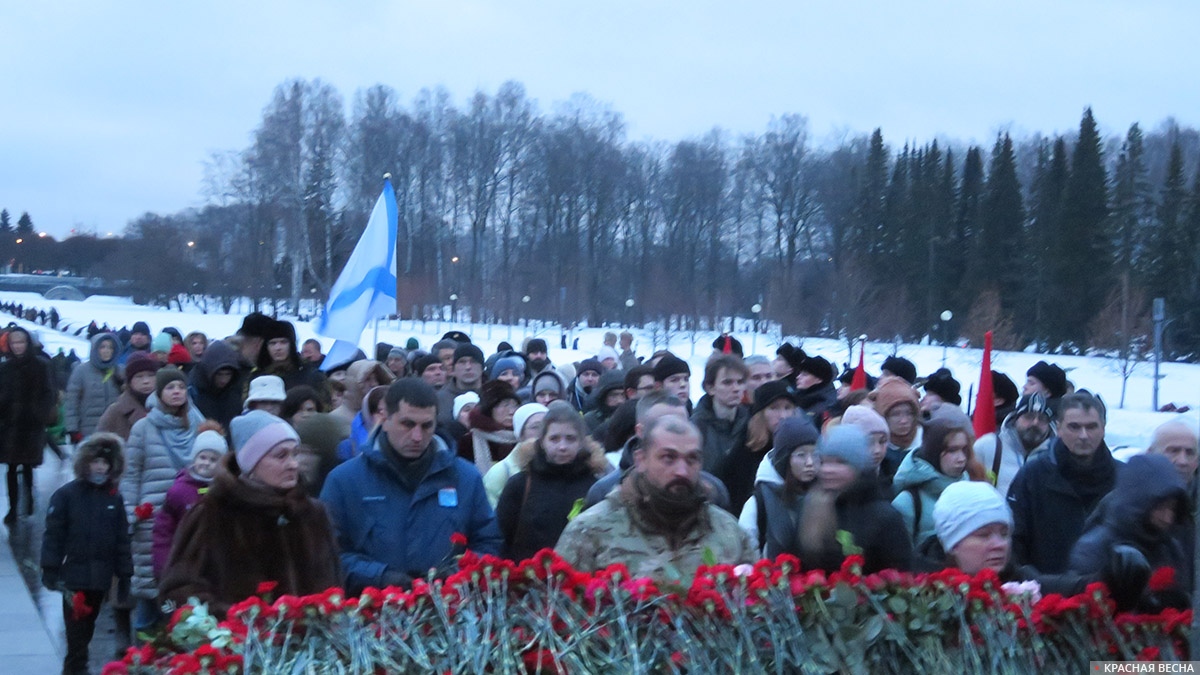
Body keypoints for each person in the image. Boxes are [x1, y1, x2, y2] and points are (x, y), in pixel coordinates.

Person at [319, 378, 502, 594]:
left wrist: (456, 572)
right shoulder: (345, 481)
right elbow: (328, 555)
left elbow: (488, 543)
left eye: (426, 426)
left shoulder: (465, 477)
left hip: (447, 610)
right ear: (385, 420)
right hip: (372, 612)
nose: (417, 436)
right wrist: (380, 576)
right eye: (407, 424)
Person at [159, 411, 340, 617]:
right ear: (251, 463)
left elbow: (333, 588)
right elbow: (177, 591)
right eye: (281, 455)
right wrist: (237, 621)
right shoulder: (212, 513)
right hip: (240, 645)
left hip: (311, 646)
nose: (293, 464)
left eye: (295, 453)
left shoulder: (312, 514)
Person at [556, 416, 755, 583]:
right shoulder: (589, 531)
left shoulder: (729, 532)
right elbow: (557, 614)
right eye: (668, 458)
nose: (682, 471)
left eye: (692, 459)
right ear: (641, 460)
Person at [119, 367, 205, 634]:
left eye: (181, 386)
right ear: (159, 393)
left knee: (186, 593)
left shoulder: (199, 424)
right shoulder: (144, 428)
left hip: (190, 515)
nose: (177, 391)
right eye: (170, 387)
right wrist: (131, 512)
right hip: (153, 518)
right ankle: (142, 654)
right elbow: (131, 473)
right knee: (149, 592)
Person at [40, 433, 132, 675]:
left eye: (105, 462)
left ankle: (77, 665)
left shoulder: (114, 498)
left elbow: (121, 538)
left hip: (100, 577)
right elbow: (54, 534)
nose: (100, 467)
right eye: (95, 462)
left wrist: (125, 574)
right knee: (76, 632)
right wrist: (50, 567)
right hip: (75, 576)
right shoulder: (67, 495)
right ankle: (76, 668)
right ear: (85, 463)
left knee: (88, 627)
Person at [1008, 392, 1118, 574]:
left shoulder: (1122, 479)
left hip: (1106, 593)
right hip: (1045, 592)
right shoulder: (1033, 475)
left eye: (1091, 427)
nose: (1083, 436)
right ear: (1058, 428)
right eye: (1074, 427)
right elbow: (1015, 538)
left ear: (1103, 428)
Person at [1068, 453, 1191, 609]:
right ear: (1139, 502)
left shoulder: (1170, 547)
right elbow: (1082, 607)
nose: (1168, 517)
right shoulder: (1095, 547)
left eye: (1172, 508)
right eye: (1161, 507)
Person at [496, 404, 608, 561]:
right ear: (542, 442)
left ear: (582, 443)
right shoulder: (521, 484)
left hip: (579, 579)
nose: (562, 446)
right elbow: (500, 538)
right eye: (554, 439)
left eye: (570, 439)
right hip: (526, 577)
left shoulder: (594, 487)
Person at [795, 426, 913, 574]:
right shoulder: (810, 506)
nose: (828, 470)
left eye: (840, 462)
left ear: (859, 467)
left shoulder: (883, 516)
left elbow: (901, 576)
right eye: (824, 462)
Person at [891, 411, 982, 546]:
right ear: (934, 452)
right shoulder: (907, 502)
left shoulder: (972, 490)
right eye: (952, 450)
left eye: (964, 449)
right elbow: (901, 559)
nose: (961, 458)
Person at [151, 422, 227, 578]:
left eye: (213, 460)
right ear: (194, 458)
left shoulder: (225, 490)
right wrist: (163, 566)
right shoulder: (179, 491)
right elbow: (163, 531)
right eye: (203, 457)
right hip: (184, 562)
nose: (206, 463)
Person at [739, 416, 820, 554]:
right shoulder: (759, 502)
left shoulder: (827, 495)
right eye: (801, 455)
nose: (810, 462)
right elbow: (746, 553)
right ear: (785, 460)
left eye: (815, 454)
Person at [0, 326, 56, 524]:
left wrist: (39, 413)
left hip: (31, 426)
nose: (18, 346)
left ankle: (29, 499)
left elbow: (49, 392)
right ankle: (13, 508)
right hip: (10, 426)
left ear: (27, 343)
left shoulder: (40, 366)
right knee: (11, 468)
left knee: (28, 465)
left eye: (21, 342)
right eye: (14, 343)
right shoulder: (5, 368)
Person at [722, 378, 796, 516]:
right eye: (774, 408)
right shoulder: (743, 454)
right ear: (760, 414)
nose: (783, 416)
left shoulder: (799, 450)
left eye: (788, 408)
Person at [973, 393, 1055, 497]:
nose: (1035, 423)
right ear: (1016, 419)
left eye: (1042, 419)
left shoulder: (1055, 456)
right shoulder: (988, 445)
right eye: (1029, 417)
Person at [484, 403, 550, 507]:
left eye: (547, 426)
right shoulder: (501, 471)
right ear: (521, 434)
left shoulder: (558, 463)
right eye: (535, 427)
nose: (543, 432)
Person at [63, 332, 123, 441]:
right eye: (102, 347)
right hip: (87, 432)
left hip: (114, 432)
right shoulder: (81, 371)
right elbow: (72, 402)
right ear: (95, 349)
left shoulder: (119, 371)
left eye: (110, 347)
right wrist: (73, 429)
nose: (106, 351)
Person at [252, 319, 329, 401]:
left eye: (283, 342)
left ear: (292, 344)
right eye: (273, 343)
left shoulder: (312, 375)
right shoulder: (256, 376)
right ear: (266, 346)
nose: (278, 348)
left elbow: (324, 408)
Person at [869, 375, 922, 487]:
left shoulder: (926, 446)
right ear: (882, 415)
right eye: (895, 414)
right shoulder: (872, 450)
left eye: (909, 413)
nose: (904, 421)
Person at [461, 381, 521, 476]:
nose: (512, 411)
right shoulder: (468, 443)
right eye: (505, 405)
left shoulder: (522, 437)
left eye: (515, 405)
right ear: (490, 409)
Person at [97, 353, 161, 441]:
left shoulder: (167, 407)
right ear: (129, 382)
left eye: (151, 375)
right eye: (139, 377)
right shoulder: (115, 412)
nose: (146, 381)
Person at [187, 340, 244, 430]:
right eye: (219, 374)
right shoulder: (193, 391)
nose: (223, 380)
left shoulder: (236, 393)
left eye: (228, 374)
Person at [436, 343, 486, 428]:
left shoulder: (494, 397)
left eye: (473, 361)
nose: (468, 367)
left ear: (482, 367)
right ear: (453, 368)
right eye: (462, 362)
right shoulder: (439, 400)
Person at [793, 354, 838, 423]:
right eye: (799, 373)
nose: (798, 377)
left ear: (819, 379)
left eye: (805, 374)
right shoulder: (800, 396)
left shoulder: (827, 405)